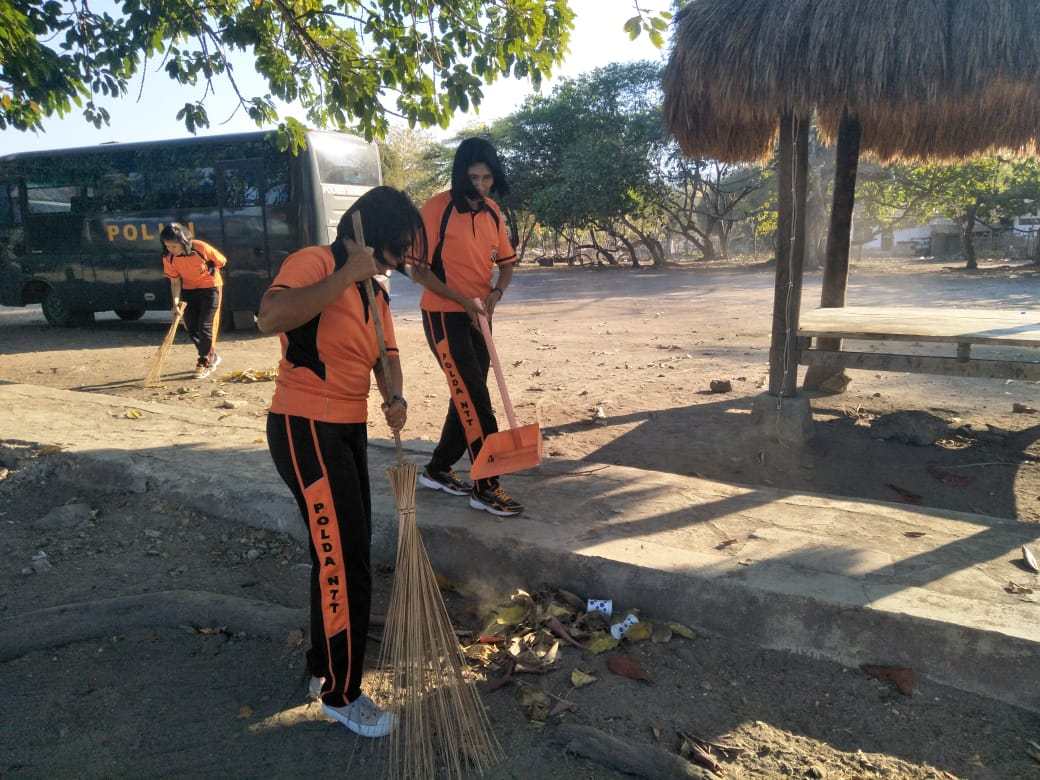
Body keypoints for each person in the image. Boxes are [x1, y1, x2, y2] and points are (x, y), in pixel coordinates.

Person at [258, 186, 422, 738]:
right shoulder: (315, 263)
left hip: (349, 426)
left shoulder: (375, 296)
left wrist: (394, 396)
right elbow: (271, 316)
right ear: (364, 234)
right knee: (343, 558)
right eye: (394, 249)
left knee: (338, 551)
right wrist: (343, 275)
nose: (398, 262)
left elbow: (388, 357)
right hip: (305, 425)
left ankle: (322, 664)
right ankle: (341, 693)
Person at [409, 138, 523, 517]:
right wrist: (462, 301)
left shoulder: (492, 212)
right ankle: (486, 486)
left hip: (480, 315)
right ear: (460, 174)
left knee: (466, 395)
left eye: (487, 178)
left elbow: (506, 262)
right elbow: (419, 271)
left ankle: (438, 469)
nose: (480, 185)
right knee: (475, 396)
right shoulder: (437, 208)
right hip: (443, 314)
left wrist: (496, 293)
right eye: (473, 177)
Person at [160, 223, 227, 379]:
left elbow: (221, 261)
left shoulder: (200, 248)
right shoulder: (168, 258)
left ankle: (204, 360)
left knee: (205, 325)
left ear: (184, 241)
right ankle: (212, 355)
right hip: (189, 290)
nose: (171, 249)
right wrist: (176, 303)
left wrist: (210, 267)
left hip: (211, 288)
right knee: (192, 327)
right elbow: (175, 282)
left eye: (174, 246)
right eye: (167, 246)